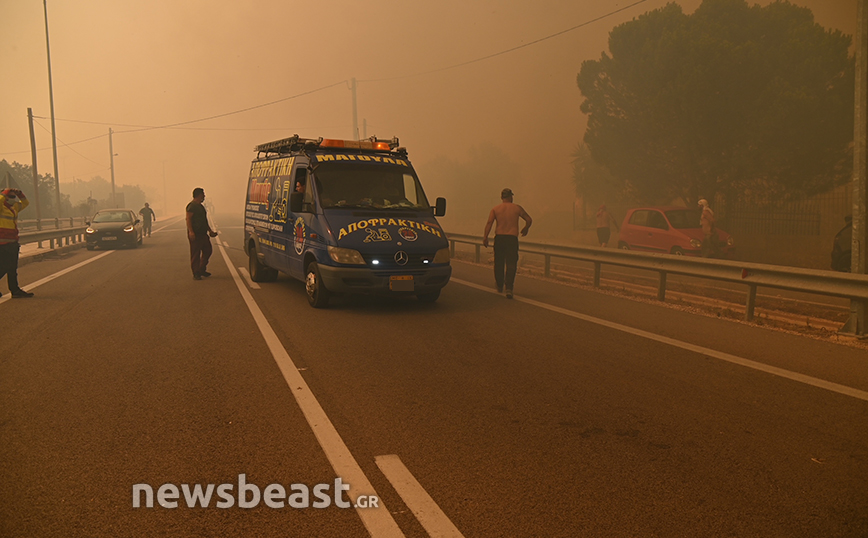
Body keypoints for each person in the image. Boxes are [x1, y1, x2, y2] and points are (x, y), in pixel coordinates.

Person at [482, 188, 532, 299]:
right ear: (510, 197)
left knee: (499, 262)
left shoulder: (495, 209)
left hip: (499, 238)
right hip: (512, 238)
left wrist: (485, 237)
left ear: (502, 197)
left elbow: (489, 223)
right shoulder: (517, 208)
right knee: (511, 263)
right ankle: (509, 287)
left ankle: (499, 285)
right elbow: (529, 219)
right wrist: (526, 228)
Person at [0, 188, 34, 298]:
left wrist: (20, 194)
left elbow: (26, 203)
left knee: (12, 268)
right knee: (4, 267)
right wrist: (5, 193)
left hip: (13, 243)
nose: (13, 199)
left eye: (14, 197)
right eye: (11, 196)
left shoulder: (14, 208)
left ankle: (15, 290)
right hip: (2, 244)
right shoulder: (1, 207)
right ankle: (15, 290)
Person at [186, 188, 218, 280]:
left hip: (203, 233)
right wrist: (191, 232)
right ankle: (196, 272)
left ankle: (201, 269)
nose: (204, 196)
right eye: (203, 194)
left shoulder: (200, 206)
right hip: (195, 234)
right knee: (196, 254)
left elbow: (204, 221)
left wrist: (210, 231)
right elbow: (188, 219)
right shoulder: (191, 206)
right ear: (199, 195)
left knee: (208, 250)